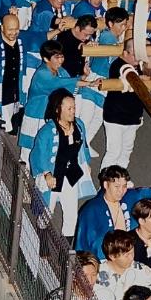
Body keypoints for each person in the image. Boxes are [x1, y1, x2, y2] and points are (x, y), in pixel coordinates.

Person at [74, 165, 151, 260]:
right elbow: (84, 243)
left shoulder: (129, 196)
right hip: (104, 258)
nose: (121, 191)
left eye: (124, 186)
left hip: (130, 253)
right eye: (116, 186)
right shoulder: (91, 210)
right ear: (106, 185)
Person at [29, 88, 94, 238]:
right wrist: (46, 173)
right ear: (58, 109)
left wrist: (86, 163)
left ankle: (66, 249)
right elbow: (38, 154)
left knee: (72, 214)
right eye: (69, 108)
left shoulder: (79, 126)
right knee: (47, 211)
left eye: (74, 107)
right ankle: (41, 236)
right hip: (54, 176)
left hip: (71, 174)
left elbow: (83, 147)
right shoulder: (47, 131)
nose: (73, 111)